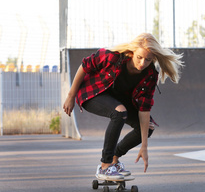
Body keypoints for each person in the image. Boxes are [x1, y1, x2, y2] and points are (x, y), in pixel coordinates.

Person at [63, 33, 183, 180]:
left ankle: (114, 158)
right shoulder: (112, 57)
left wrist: (144, 147)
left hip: (118, 99)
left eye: (148, 60)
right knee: (119, 112)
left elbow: (144, 110)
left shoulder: (150, 74)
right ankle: (105, 166)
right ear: (132, 52)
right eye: (139, 57)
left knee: (147, 127)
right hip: (92, 93)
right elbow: (85, 66)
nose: (142, 63)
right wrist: (71, 96)